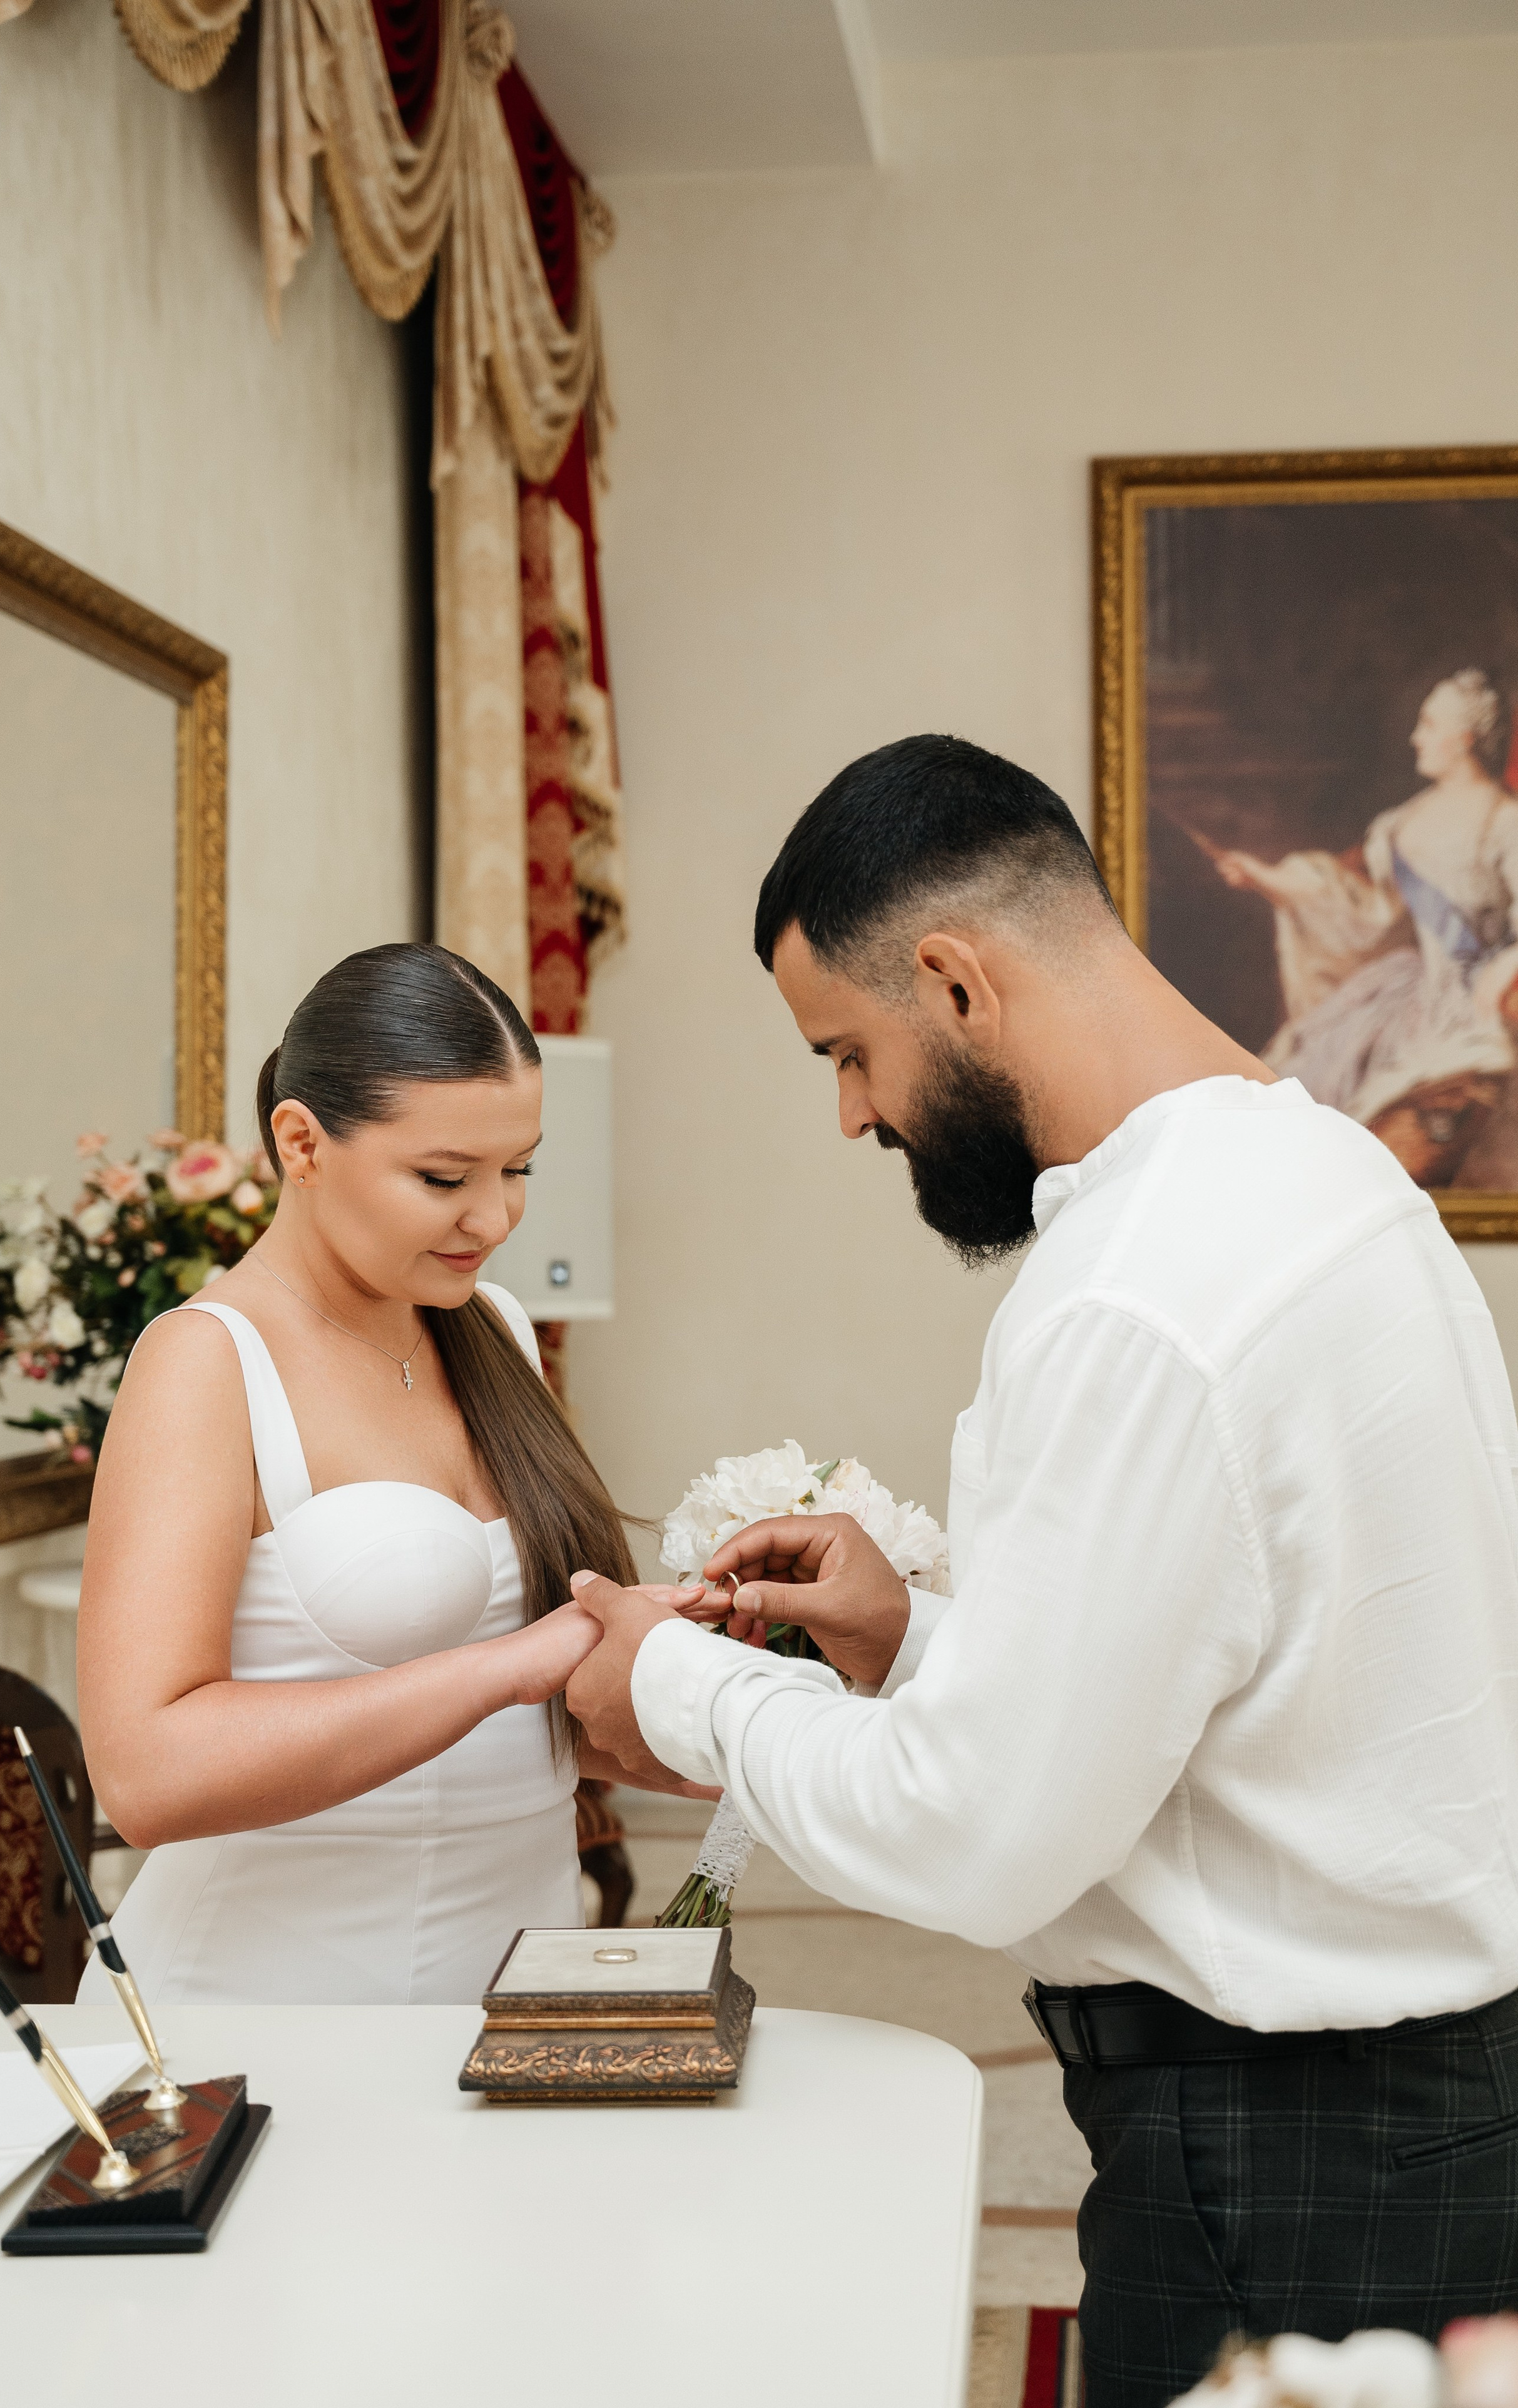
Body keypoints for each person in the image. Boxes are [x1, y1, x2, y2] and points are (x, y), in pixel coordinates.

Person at [564, 735, 1518, 2406]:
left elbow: (978, 1831)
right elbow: (1248, 1677)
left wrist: (671, 1680)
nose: (852, 1112)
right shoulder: (1324, 1172)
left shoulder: (1131, 1290)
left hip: (1283, 2154)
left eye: (847, 1052)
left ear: (953, 981)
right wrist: (917, 1634)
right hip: (1419, 2109)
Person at [77, 942, 695, 2008]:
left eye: (519, 1169)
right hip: (263, 2010)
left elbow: (535, 1735)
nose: (494, 1219)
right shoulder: (206, 1361)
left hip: (510, 1989)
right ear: (301, 1143)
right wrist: (506, 1669)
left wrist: (738, 1702)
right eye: (445, 1178)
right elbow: (145, 1776)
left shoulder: (492, 1326)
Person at [1213, 667, 1518, 1186]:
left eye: (1428, 725)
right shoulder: (1400, 825)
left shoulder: (1504, 821)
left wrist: (1504, 973)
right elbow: (1359, 908)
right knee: (1318, 1086)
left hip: (1483, 1003)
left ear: (1464, 739)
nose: (1415, 738)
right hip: (1407, 997)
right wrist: (1265, 878)